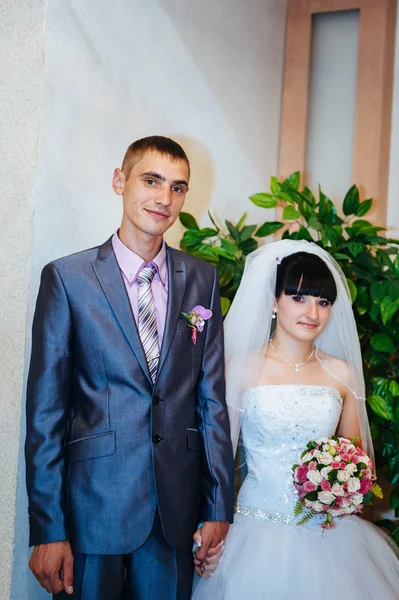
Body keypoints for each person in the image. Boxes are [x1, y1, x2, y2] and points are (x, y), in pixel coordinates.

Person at [25, 135, 234, 600]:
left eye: (178, 187)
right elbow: (46, 413)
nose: (165, 198)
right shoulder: (67, 278)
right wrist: (47, 527)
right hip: (92, 507)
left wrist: (219, 504)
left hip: (175, 508)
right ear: (120, 181)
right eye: (152, 180)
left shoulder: (202, 278)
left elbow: (212, 399)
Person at [192, 239, 399, 599]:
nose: (312, 313)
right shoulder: (240, 369)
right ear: (274, 301)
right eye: (298, 298)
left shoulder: (343, 374)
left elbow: (360, 462)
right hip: (254, 531)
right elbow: (217, 459)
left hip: (330, 538)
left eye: (323, 302)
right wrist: (208, 526)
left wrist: (346, 487)